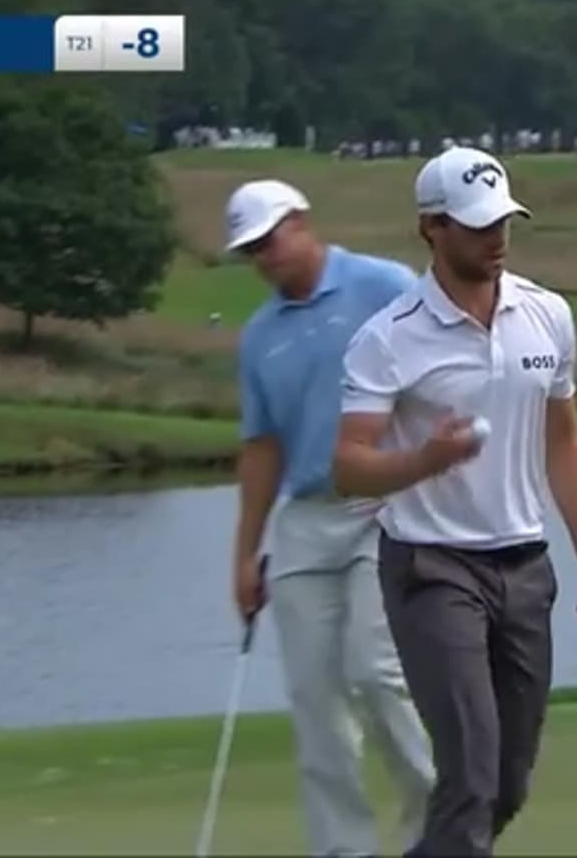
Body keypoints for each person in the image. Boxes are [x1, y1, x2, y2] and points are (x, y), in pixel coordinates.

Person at [332, 148, 577, 856]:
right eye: (475, 225)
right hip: (431, 569)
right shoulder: (389, 339)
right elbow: (349, 467)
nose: (495, 237)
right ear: (431, 228)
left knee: (506, 784)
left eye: (503, 220)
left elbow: (567, 444)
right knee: (468, 772)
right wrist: (423, 460)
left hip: (526, 568)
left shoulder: (547, 316)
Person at [225, 179, 435, 857]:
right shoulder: (259, 338)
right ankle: (343, 850)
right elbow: (262, 448)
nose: (264, 257)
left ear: (302, 222)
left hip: (386, 506)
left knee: (375, 670)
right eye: (251, 249)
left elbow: (436, 381)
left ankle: (439, 827)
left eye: (270, 239)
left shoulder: (382, 285)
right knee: (315, 699)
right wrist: (245, 553)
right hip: (306, 519)